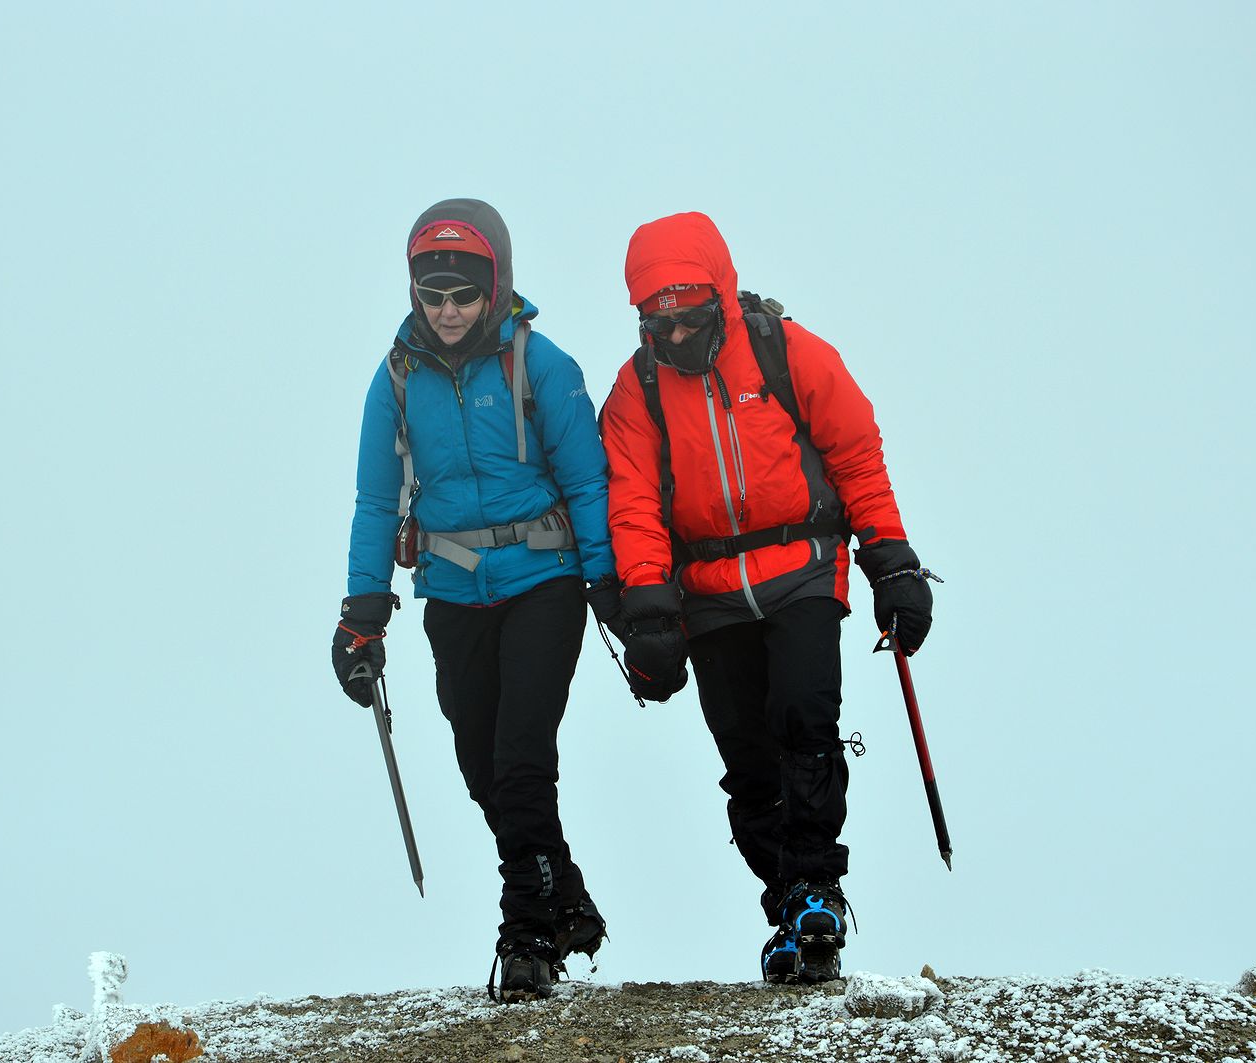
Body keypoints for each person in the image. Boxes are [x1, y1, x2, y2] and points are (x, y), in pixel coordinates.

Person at [597, 212, 937, 984]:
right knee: (748, 762)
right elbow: (634, 505)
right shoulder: (637, 389)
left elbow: (855, 454)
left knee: (805, 722)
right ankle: (787, 906)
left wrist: (891, 561)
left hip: (806, 573)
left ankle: (819, 884)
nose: (677, 336)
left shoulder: (788, 352)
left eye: (690, 316)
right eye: (659, 321)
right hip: (709, 593)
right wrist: (648, 612)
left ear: (720, 292)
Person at [332, 198, 616, 1002]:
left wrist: (606, 581)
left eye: (463, 294)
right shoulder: (394, 380)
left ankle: (525, 932)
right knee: (480, 763)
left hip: (544, 583)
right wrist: (362, 613)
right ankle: (562, 889)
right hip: (452, 592)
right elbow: (375, 500)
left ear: (496, 283)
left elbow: (589, 480)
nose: (449, 311)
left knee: (523, 755)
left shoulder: (541, 363)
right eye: (433, 295)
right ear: (415, 292)